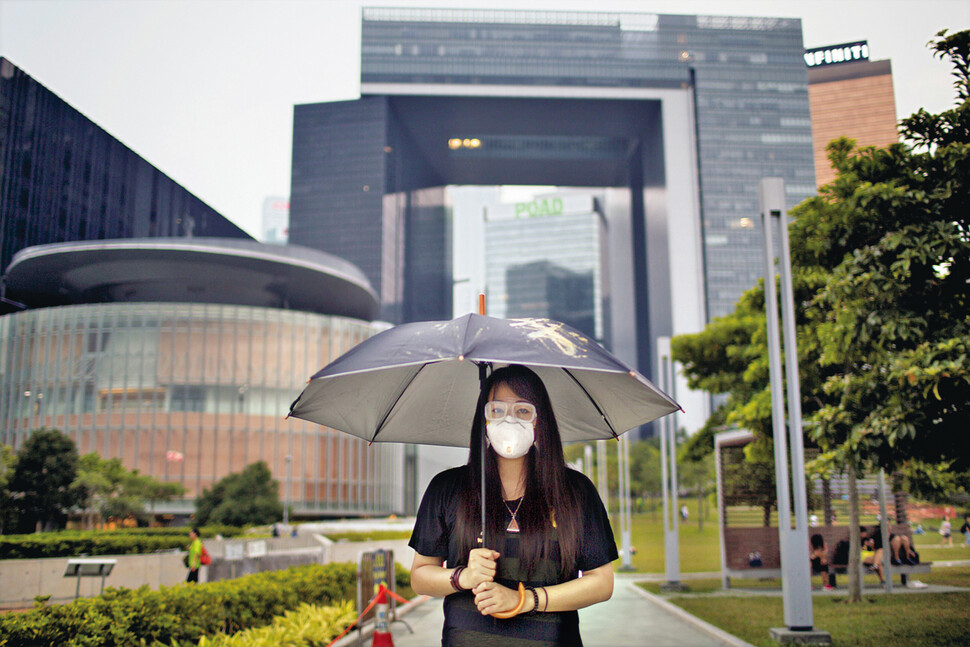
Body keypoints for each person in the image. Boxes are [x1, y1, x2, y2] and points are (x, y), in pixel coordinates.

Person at [409, 365, 617, 646]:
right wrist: (464, 577)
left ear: (539, 420)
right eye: (497, 410)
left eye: (522, 410)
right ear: (483, 419)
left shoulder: (575, 491)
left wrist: (523, 600)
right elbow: (420, 576)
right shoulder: (447, 488)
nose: (509, 420)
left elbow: (602, 583)